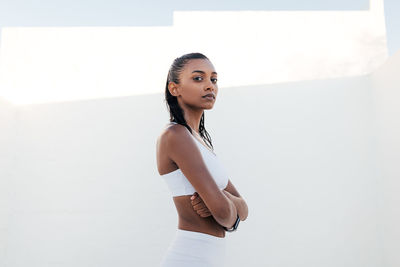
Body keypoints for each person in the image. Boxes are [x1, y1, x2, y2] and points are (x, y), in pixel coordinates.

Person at [156, 52, 249, 267]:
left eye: (213, 79)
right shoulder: (175, 135)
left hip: (209, 256)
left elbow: (242, 209)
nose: (210, 86)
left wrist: (220, 199)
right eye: (198, 78)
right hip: (190, 256)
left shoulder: (199, 141)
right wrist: (224, 204)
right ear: (174, 88)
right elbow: (226, 215)